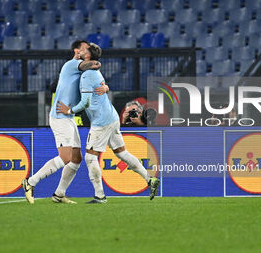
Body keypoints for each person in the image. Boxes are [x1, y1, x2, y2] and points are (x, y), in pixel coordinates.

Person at [57, 43, 160, 203]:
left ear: (89, 56)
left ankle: (100, 196)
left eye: (85, 50)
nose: (81, 51)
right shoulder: (95, 71)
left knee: (90, 158)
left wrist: (69, 111)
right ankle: (149, 179)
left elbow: (85, 102)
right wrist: (106, 87)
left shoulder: (87, 75)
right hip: (111, 117)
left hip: (101, 122)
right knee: (121, 153)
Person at [22, 40, 108, 204]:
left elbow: (98, 78)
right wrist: (90, 60)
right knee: (66, 157)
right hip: (60, 116)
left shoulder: (83, 69)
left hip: (68, 117)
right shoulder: (72, 64)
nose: (85, 50)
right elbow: (96, 63)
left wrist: (106, 87)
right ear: (77, 51)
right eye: (83, 48)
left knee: (76, 159)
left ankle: (59, 194)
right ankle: (30, 182)